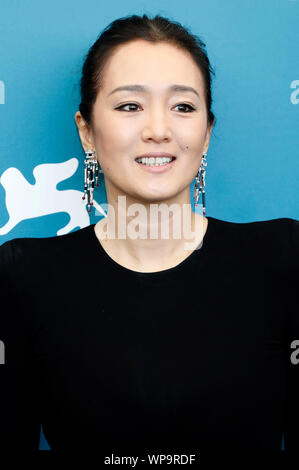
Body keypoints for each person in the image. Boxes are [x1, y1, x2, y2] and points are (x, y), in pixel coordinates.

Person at [0, 13, 298, 457]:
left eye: (183, 106)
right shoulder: (23, 275)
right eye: (129, 106)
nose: (158, 130)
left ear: (207, 132)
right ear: (87, 132)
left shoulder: (283, 260)